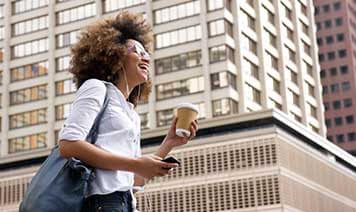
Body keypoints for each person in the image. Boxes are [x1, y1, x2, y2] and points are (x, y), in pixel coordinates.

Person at [58, 11, 198, 212]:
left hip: (124, 205)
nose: (146, 58)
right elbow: (68, 144)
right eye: (137, 51)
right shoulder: (97, 88)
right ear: (114, 55)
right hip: (101, 204)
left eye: (146, 53)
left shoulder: (131, 113)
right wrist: (135, 164)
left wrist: (168, 143)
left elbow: (132, 183)